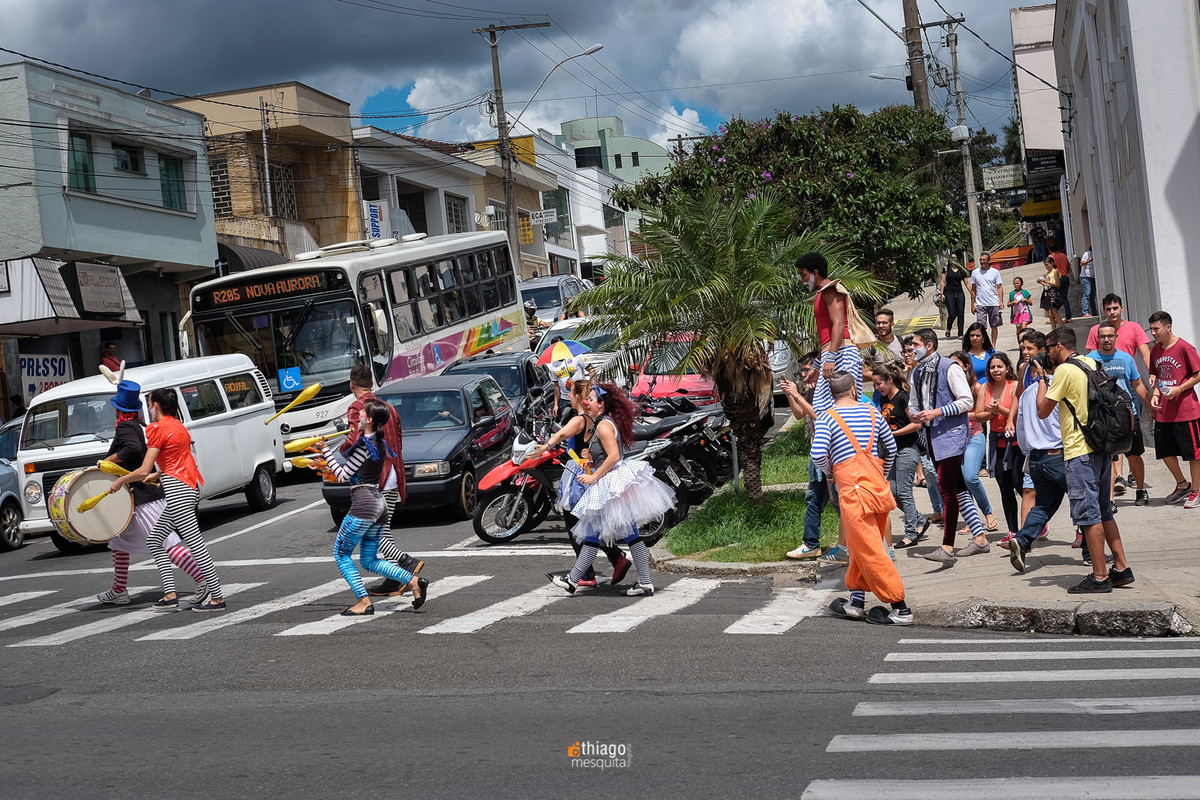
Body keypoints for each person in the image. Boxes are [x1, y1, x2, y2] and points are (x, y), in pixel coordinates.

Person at [548, 384, 676, 596]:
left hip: (611, 484)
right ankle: (575, 579)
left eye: (591, 399)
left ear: (601, 404)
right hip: (611, 483)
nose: (587, 402)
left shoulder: (603, 426)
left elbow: (614, 456)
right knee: (609, 535)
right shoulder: (601, 424)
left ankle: (575, 580)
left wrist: (593, 476)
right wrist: (589, 460)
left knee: (608, 534)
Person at [108, 387, 227, 612]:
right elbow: (176, 461)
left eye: (149, 403)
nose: (148, 408)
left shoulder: (159, 429)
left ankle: (217, 598)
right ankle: (170, 595)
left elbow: (143, 470)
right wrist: (158, 474)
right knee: (155, 540)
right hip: (185, 488)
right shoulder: (178, 426)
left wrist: (121, 481)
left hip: (178, 492)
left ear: (156, 406)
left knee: (196, 545)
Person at [1037, 327, 1132, 592]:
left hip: (1080, 452)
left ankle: (1100, 576)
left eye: (1048, 348)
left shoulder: (1064, 371)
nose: (1047, 353)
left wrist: (1042, 379)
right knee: (1104, 511)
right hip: (1100, 447)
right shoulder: (1091, 362)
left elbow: (1042, 410)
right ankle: (1121, 568)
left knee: (1088, 516)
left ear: (1058, 346)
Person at [813, 372, 912, 626]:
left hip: (853, 493)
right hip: (877, 489)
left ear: (832, 393)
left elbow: (817, 453)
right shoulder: (872, 412)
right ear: (854, 389)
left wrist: (830, 470)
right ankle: (856, 602)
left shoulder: (827, 418)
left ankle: (900, 607)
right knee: (859, 546)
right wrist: (881, 473)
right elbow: (891, 448)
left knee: (870, 550)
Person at [322, 400, 426, 615]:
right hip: (378, 506)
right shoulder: (379, 443)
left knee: (341, 554)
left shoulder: (365, 446)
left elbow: (343, 475)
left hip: (364, 507)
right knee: (369, 560)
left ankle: (363, 601)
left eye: (361, 413)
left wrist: (325, 451)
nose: (358, 416)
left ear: (369, 419)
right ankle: (413, 581)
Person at [534, 378, 630, 585]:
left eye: (571, 393)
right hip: (588, 471)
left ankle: (588, 574)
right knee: (591, 525)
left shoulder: (580, 419)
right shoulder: (592, 419)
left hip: (579, 475)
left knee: (575, 526)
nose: (568, 396)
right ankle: (616, 558)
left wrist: (546, 445)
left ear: (577, 397)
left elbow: (562, 433)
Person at [337, 366, 423, 597]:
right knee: (382, 531)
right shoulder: (389, 408)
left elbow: (355, 440)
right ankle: (395, 578)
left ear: (351, 384)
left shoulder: (358, 407)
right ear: (372, 384)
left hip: (375, 477)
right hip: (394, 472)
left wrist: (342, 450)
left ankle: (406, 563)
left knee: (375, 533)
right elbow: (399, 441)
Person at [908, 329, 988, 564]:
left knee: (946, 489)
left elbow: (966, 401)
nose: (912, 348)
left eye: (916, 344)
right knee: (959, 488)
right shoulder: (917, 372)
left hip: (952, 436)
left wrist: (937, 412)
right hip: (932, 436)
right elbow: (913, 403)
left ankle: (947, 546)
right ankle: (980, 538)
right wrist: (914, 414)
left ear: (929, 345)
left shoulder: (949, 367)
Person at [1086, 294, 1155, 498]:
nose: (1106, 339)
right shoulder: (1089, 360)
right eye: (1102, 337)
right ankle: (1109, 499)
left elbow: (1138, 384)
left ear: (1116, 337)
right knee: (1106, 456)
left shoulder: (1126, 358)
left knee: (1134, 453)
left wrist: (1151, 406)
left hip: (1127, 413)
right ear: (1097, 338)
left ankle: (1140, 490)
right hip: (1102, 416)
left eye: (1110, 336)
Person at [780, 355, 847, 563]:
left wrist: (796, 394)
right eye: (802, 370)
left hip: (832, 454)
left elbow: (820, 416)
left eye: (807, 369)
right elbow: (800, 414)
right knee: (814, 498)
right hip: (818, 453)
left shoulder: (829, 390)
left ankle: (850, 543)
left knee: (839, 502)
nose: (803, 374)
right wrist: (791, 395)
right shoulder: (812, 390)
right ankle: (811, 544)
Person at [797, 252, 863, 412]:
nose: (801, 280)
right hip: (834, 352)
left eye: (803, 275)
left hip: (842, 353)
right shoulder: (822, 294)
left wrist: (831, 358)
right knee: (825, 408)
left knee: (843, 407)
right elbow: (827, 339)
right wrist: (817, 366)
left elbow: (839, 324)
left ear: (815, 273)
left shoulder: (830, 290)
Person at [872, 364, 929, 549]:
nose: (877, 388)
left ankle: (911, 533)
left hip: (907, 449)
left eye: (879, 384)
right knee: (891, 492)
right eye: (874, 385)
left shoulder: (903, 398)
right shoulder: (884, 399)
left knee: (904, 492)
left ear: (890, 380)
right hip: (891, 451)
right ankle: (920, 520)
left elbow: (916, 425)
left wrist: (892, 434)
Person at [1147, 311, 1200, 508]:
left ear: (1167, 327)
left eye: (1156, 329)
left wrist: (1180, 388)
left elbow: (1198, 374)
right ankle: (1182, 484)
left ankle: (1196, 491)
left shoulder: (1185, 347)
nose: (1153, 333)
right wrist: (1155, 394)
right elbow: (1157, 376)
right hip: (1164, 411)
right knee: (1165, 452)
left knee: (1193, 453)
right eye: (1151, 329)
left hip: (1186, 411)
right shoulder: (1155, 350)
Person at [949, 351, 1000, 536]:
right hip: (954, 439)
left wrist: (956, 414)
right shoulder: (947, 388)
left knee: (970, 477)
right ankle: (972, 520)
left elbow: (982, 415)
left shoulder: (976, 387)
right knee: (961, 481)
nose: (952, 368)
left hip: (974, 436)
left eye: (956, 364)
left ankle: (988, 512)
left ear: (966, 366)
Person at [981, 353, 1021, 537]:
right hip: (997, 443)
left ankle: (1035, 520)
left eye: (999, 366)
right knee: (1005, 488)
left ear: (1007, 368)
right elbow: (979, 415)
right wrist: (991, 413)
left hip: (1015, 442)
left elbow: (1017, 413)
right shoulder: (985, 387)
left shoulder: (1015, 386)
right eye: (992, 367)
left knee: (1019, 483)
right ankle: (1013, 530)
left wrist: (999, 410)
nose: (996, 370)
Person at [968, 251, 1004, 345]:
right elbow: (973, 289)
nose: (982, 262)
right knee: (981, 327)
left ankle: (993, 345)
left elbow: (999, 287)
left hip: (993, 303)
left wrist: (1001, 302)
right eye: (981, 260)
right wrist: (972, 304)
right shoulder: (975, 272)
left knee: (994, 326)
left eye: (984, 260)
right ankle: (983, 345)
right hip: (980, 304)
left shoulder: (995, 272)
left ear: (988, 260)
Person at [940, 258, 969, 339]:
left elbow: (967, 283)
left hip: (959, 292)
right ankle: (948, 329)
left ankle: (960, 334)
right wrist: (941, 294)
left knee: (961, 314)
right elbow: (943, 281)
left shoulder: (961, 269)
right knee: (952, 314)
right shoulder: (946, 269)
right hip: (949, 293)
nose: (954, 259)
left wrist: (973, 293)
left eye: (955, 257)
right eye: (952, 258)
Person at [1036, 257, 1064, 329]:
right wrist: (1041, 282)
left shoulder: (1055, 271)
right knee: (1050, 314)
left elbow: (1057, 284)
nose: (1046, 267)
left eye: (1047, 265)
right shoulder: (1047, 273)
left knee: (1055, 313)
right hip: (1047, 292)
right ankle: (1054, 330)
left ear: (1052, 263)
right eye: (1045, 265)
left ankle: (1063, 328)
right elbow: (1047, 285)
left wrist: (1046, 281)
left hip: (1053, 293)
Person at [1048, 239, 1072, 322]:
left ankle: (1054, 317)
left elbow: (1050, 269)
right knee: (1064, 299)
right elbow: (1068, 267)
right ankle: (1068, 317)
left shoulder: (1051, 257)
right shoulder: (1064, 256)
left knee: (1053, 299)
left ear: (1050, 249)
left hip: (1056, 279)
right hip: (1065, 277)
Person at [1007, 276, 1032, 340]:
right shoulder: (1012, 294)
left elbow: (1031, 303)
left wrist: (1025, 300)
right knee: (1018, 331)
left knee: (1023, 328)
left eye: (1018, 283)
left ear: (1022, 283)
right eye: (1014, 283)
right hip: (1017, 314)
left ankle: (1025, 341)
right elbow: (1008, 304)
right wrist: (1013, 302)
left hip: (1025, 312)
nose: (1016, 285)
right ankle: (1020, 341)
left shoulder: (1025, 292)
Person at [1079, 246, 1096, 317]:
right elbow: (1082, 263)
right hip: (1085, 277)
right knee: (1087, 294)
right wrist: (1090, 260)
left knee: (1092, 296)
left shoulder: (1096, 254)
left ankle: (1094, 312)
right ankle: (1085, 312)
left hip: (1093, 277)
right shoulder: (1087, 253)